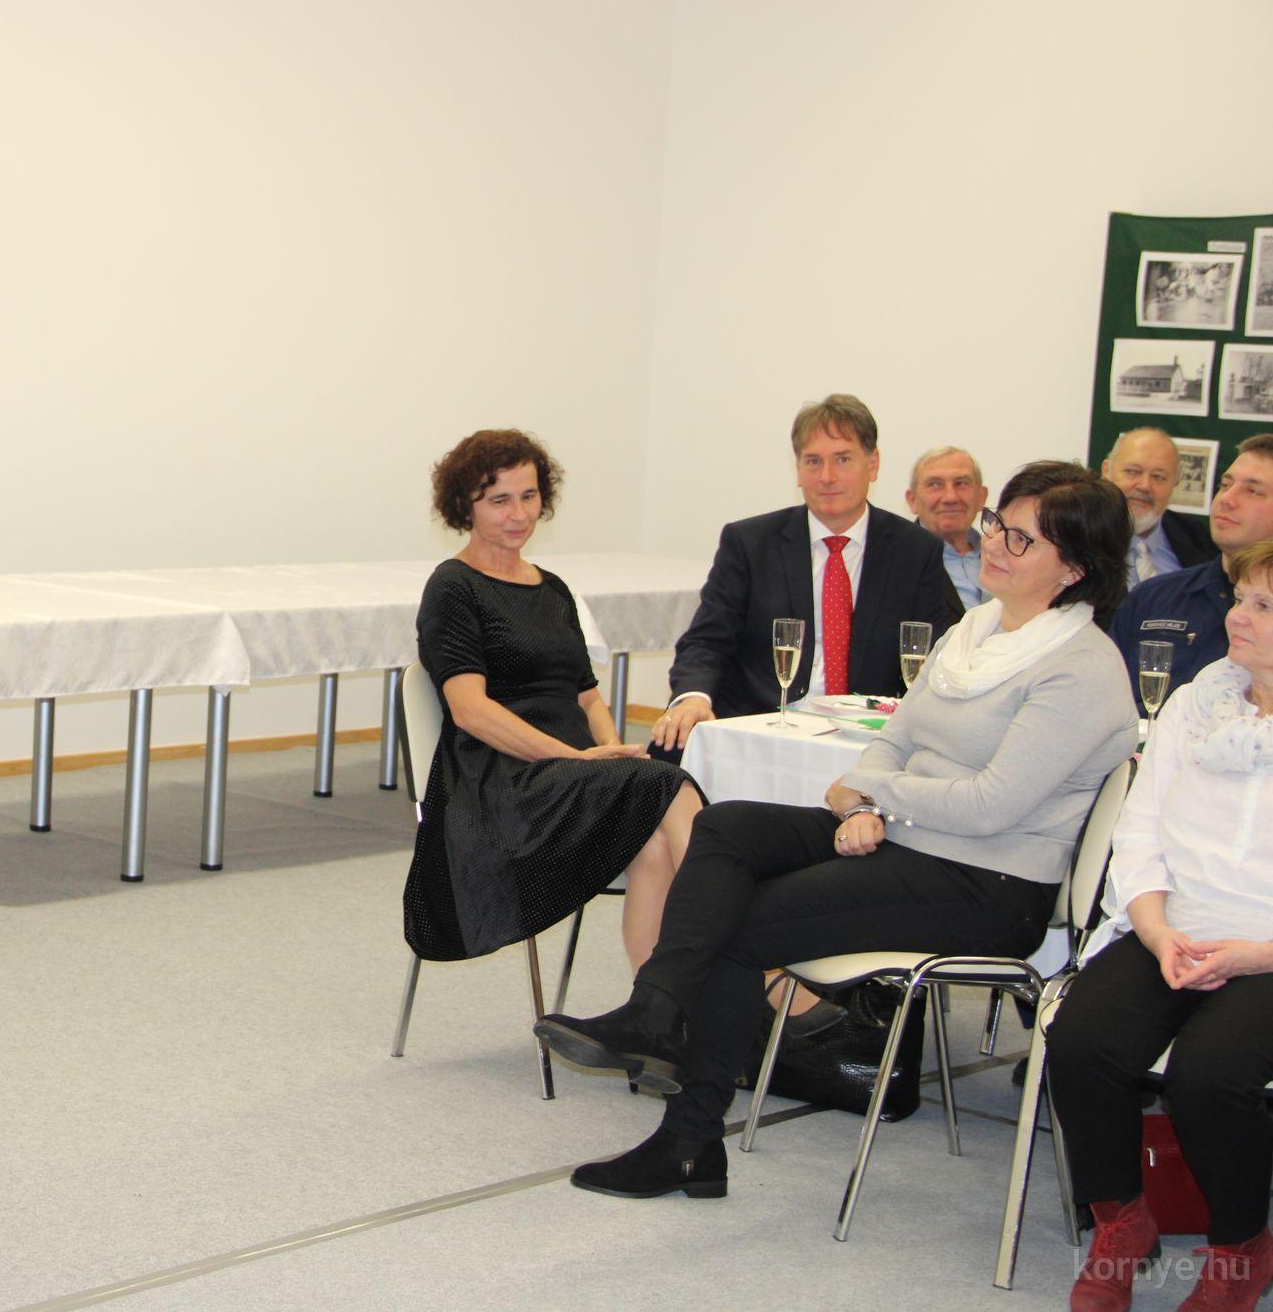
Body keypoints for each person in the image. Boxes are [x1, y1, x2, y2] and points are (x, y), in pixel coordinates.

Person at [534, 462, 1136, 1203]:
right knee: (726, 827)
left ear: (1074, 569)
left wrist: (876, 796)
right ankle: (656, 1009)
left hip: (988, 882)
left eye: (1022, 538)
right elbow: (895, 736)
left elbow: (989, 806)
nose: (995, 544)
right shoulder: (975, 633)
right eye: (998, 525)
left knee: (738, 920)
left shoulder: (1080, 668)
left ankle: (687, 1137)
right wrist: (862, 802)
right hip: (913, 839)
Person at [1046, 537, 1273, 1312]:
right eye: (1240, 598)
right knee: (1081, 1042)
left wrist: (1253, 954)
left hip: (1268, 951)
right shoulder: (1195, 703)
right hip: (1170, 926)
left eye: (1262, 606)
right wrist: (1154, 929)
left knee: (1208, 1075)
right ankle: (1123, 1221)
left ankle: (1242, 1245)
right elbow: (1138, 833)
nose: (1236, 615)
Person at [405, 430, 704, 973]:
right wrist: (577, 759)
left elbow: (587, 697)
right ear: (465, 507)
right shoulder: (453, 587)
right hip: (503, 784)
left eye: (529, 496)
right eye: (500, 500)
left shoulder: (553, 589)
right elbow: (470, 710)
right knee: (670, 786)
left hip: (574, 775)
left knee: (655, 829)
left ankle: (661, 999)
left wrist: (612, 752)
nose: (519, 514)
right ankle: (759, 972)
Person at [649, 394, 963, 756]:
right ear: (797, 470)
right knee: (666, 750)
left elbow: (934, 654)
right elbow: (706, 641)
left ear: (873, 464)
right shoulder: (750, 543)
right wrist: (693, 697)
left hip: (865, 737)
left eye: (842, 459)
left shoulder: (914, 550)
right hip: (761, 725)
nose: (827, 477)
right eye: (813, 461)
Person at [1110, 435, 1273, 704]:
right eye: (1225, 485)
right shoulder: (1152, 598)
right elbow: (1104, 704)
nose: (1227, 499)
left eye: (1253, 491)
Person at [1103, 426, 1220, 587]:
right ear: (1106, 471)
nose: (1145, 486)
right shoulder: (1077, 536)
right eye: (1132, 472)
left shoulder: (1195, 537)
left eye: (1158, 477)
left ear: (1175, 483)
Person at [905, 445, 990, 608]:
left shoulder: (1005, 555)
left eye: (961, 483)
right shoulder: (894, 561)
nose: (950, 497)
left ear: (981, 497)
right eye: (935, 485)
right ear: (912, 500)